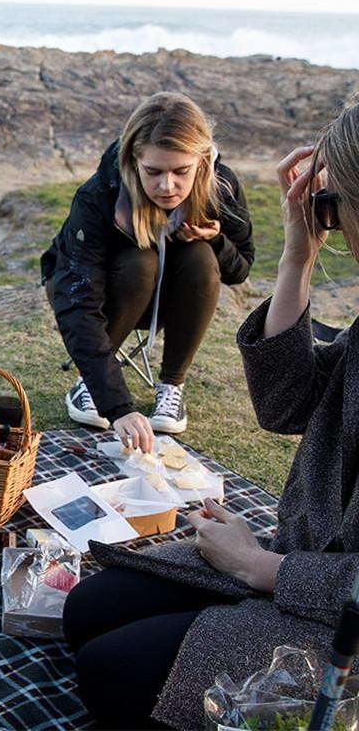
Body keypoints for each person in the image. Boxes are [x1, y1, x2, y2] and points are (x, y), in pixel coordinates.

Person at [61, 102, 359, 730]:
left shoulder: (215, 192)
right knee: (85, 611)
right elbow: (287, 406)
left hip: (338, 622)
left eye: (329, 204)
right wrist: (297, 259)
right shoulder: (102, 197)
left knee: (107, 671)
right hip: (304, 559)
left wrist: (260, 567)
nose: (325, 217)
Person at [41, 92, 254, 447]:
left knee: (201, 256)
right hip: (106, 292)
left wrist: (216, 240)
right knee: (140, 260)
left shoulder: (222, 187)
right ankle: (88, 385)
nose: (166, 186)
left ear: (201, 161)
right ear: (133, 160)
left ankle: (172, 386)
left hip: (175, 299)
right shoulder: (100, 195)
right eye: (152, 171)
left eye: (181, 171)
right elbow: (76, 298)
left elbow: (240, 268)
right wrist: (117, 404)